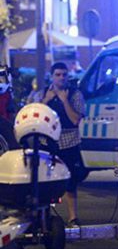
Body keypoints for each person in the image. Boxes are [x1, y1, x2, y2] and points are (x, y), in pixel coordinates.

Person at [30, 62, 86, 227]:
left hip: (69, 142)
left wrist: (64, 101)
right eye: (58, 75)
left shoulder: (75, 94)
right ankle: (42, 217)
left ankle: (73, 217)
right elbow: (34, 115)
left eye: (64, 75)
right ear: (52, 76)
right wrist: (46, 100)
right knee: (43, 181)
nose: (61, 78)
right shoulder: (42, 94)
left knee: (71, 182)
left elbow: (75, 119)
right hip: (47, 142)